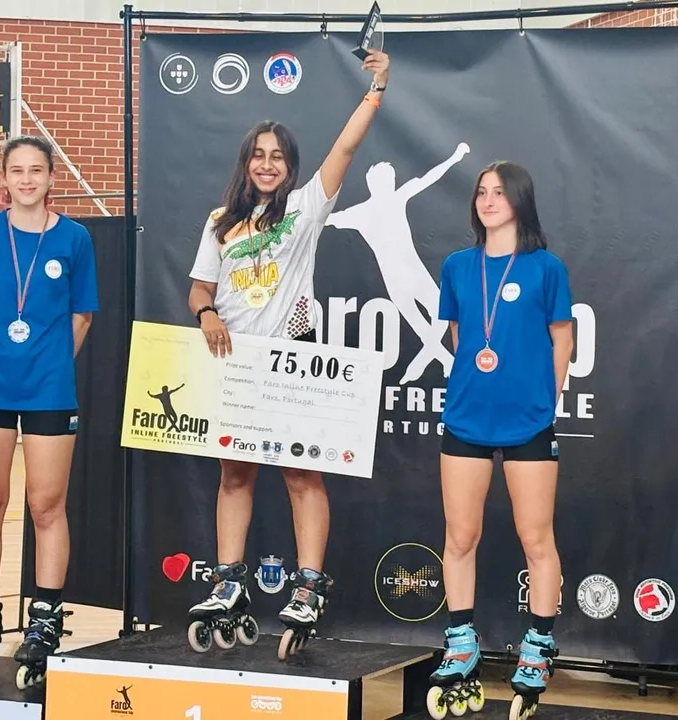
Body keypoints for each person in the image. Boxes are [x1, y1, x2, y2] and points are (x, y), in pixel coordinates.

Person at [184, 49, 390, 657]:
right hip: (234, 365)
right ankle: (229, 583)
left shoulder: (305, 208)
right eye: (259, 154)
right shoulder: (221, 221)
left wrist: (376, 89)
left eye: (278, 156)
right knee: (234, 474)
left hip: (291, 361)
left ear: (290, 166)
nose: (267, 164)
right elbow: (199, 287)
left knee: (302, 474)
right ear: (246, 162)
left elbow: (345, 148)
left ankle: (307, 588)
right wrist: (206, 313)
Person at [425, 161, 574, 717]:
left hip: (528, 420)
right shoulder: (458, 266)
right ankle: (461, 643)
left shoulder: (546, 268)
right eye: (481, 192)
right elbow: (461, 336)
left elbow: (563, 338)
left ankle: (538, 647)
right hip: (466, 416)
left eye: (499, 192)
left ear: (520, 201)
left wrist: (543, 399)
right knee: (460, 535)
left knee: (536, 537)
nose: (488, 200)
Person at [0, 135, 99, 689]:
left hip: (49, 390)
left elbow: (82, 316)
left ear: (51, 177)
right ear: (4, 178)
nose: (27, 179)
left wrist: (48, 364)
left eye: (37, 170)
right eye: (17, 170)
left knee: (46, 505)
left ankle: (44, 620)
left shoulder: (75, 238)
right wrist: (4, 352)